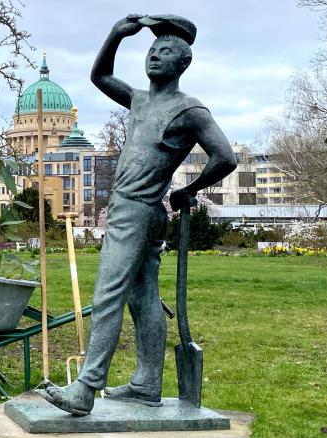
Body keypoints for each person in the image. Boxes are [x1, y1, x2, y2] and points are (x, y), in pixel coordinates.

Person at [39, 14, 237, 415]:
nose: (154, 58)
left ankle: (85, 388)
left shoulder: (190, 110)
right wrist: (115, 34)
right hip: (137, 212)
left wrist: (189, 189)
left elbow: (226, 157)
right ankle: (147, 383)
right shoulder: (140, 100)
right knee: (143, 297)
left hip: (137, 212)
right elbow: (100, 76)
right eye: (151, 51)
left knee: (108, 295)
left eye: (165, 53)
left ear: (182, 63)